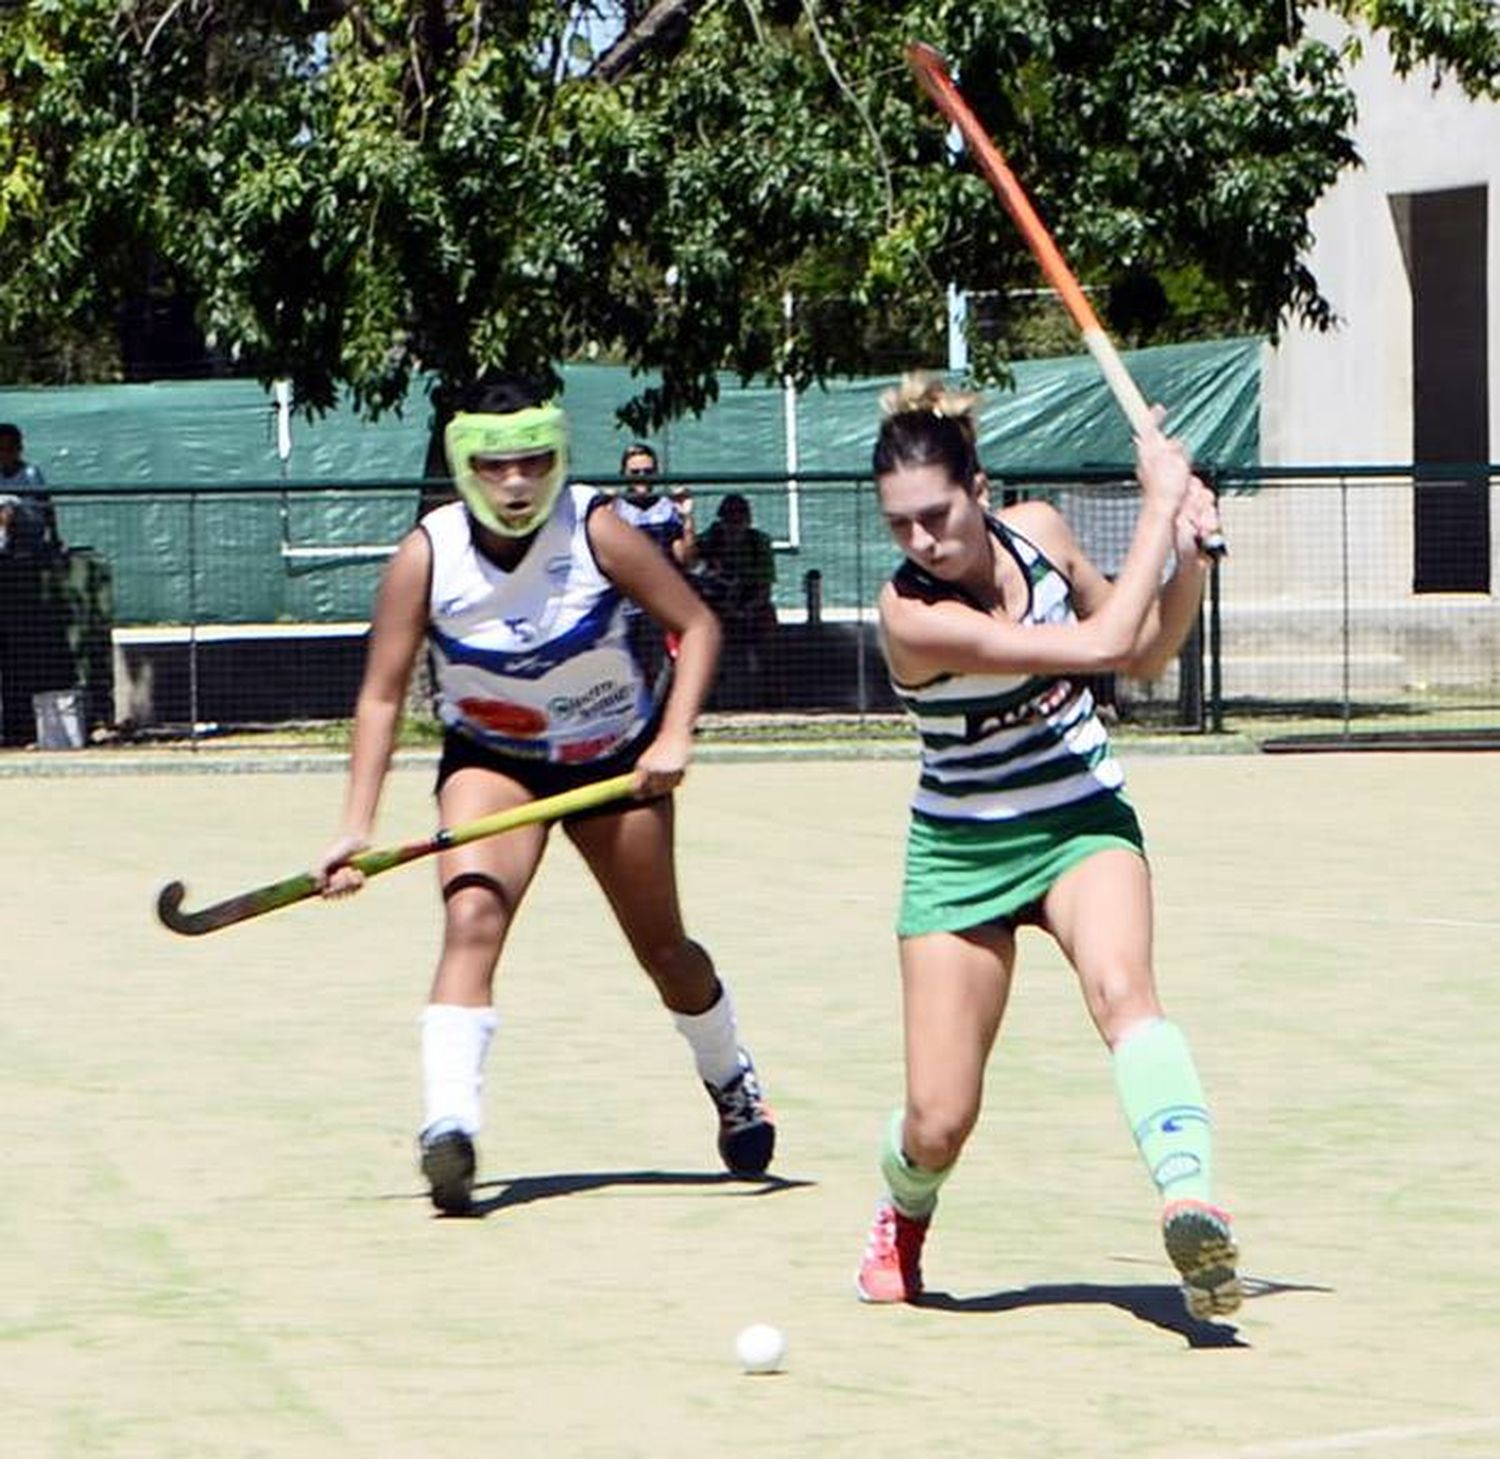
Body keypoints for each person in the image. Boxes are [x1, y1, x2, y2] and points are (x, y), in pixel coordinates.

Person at [315, 376, 775, 1214]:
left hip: (612, 763)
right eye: (496, 467)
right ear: (466, 467)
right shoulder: (427, 554)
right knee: (472, 915)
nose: (517, 483)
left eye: (533, 462)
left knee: (664, 950)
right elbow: (381, 695)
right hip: (494, 760)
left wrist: (675, 736)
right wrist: (356, 827)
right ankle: (448, 1128)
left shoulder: (596, 527)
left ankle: (730, 1075)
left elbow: (699, 625)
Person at [854, 373, 1240, 1321]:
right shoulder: (913, 618)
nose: (920, 541)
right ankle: (904, 1212)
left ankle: (1189, 1195)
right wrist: (1157, 501)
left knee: (1125, 992)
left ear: (980, 493)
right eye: (898, 524)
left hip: (1078, 816)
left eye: (936, 516)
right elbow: (1105, 641)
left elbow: (1145, 654)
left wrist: (1189, 555)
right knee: (939, 1119)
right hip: (961, 850)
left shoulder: (1045, 532)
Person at [611, 442, 698, 679]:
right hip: (623, 605)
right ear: (624, 475)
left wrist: (687, 518)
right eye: (635, 473)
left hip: (659, 605)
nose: (642, 478)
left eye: (648, 472)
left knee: (660, 671)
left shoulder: (667, 509)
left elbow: (686, 559)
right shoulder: (614, 509)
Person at [698, 493, 778, 706]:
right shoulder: (708, 540)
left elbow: (765, 588)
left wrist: (744, 610)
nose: (734, 527)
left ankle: (766, 689)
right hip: (716, 603)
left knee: (766, 622)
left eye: (739, 521)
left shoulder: (759, 543)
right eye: (729, 521)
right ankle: (708, 692)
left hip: (750, 602)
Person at [0, 423, 59, 558]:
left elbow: (46, 505)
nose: (4, 454)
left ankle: (2, 545)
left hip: (29, 524)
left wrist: (54, 535)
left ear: (19, 449)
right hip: (5, 524)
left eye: (9, 449)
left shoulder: (31, 473)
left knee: (8, 504)